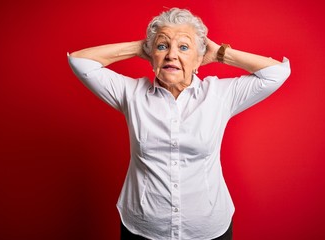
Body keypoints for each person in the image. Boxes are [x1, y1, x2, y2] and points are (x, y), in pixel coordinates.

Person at [68, 7, 290, 240]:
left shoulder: (219, 95)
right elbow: (80, 62)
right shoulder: (132, 94)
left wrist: (222, 53)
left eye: (184, 47)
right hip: (143, 229)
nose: (172, 55)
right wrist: (141, 47)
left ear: (199, 60)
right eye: (163, 46)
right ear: (152, 56)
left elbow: (277, 73)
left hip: (208, 230)